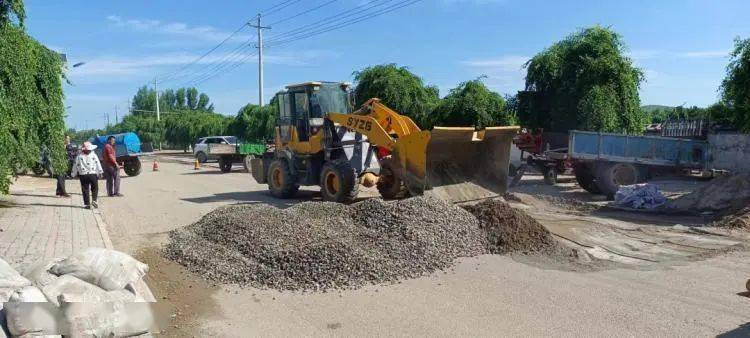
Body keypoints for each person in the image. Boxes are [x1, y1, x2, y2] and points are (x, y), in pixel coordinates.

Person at [71, 141, 103, 209]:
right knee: (95, 188)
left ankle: (87, 204)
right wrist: (100, 172)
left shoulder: (79, 156)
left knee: (85, 189)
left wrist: (73, 174)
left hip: (83, 175)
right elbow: (98, 163)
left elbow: (75, 165)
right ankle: (94, 200)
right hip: (92, 174)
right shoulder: (93, 155)